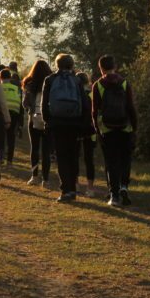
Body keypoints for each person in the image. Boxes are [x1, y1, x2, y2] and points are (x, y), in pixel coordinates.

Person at [41, 53, 91, 202]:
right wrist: (83, 124)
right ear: (72, 65)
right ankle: (73, 189)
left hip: (57, 123)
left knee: (61, 156)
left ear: (57, 65)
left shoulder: (50, 80)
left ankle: (65, 191)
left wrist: (47, 121)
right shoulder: (77, 80)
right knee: (73, 156)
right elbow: (84, 103)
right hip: (74, 122)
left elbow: (44, 103)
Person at [92, 54, 138, 207]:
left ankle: (114, 195)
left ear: (101, 68)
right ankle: (124, 187)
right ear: (115, 66)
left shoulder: (98, 85)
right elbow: (131, 107)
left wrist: (97, 129)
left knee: (111, 161)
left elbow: (94, 111)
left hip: (107, 128)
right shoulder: (124, 83)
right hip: (125, 127)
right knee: (125, 159)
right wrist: (134, 127)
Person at [22, 59, 53, 188]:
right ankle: (45, 179)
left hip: (33, 119)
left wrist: (30, 111)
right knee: (46, 150)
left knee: (34, 148)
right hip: (48, 120)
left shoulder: (29, 83)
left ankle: (34, 176)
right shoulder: (51, 82)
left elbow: (25, 103)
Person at [76, 72, 98, 197]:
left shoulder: (75, 94)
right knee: (89, 160)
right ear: (87, 82)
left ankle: (76, 185)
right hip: (90, 131)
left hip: (76, 130)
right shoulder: (92, 95)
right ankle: (90, 188)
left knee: (75, 157)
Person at [0, 68, 23, 166]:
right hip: (14, 113)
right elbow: (20, 104)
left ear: (0, 77)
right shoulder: (17, 88)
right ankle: (9, 160)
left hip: (1, 113)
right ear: (10, 77)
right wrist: (21, 121)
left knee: (0, 136)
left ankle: (0, 158)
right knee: (11, 137)